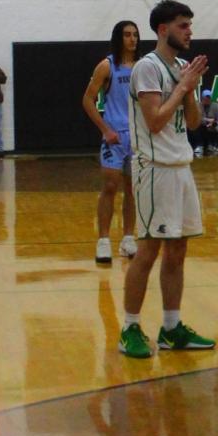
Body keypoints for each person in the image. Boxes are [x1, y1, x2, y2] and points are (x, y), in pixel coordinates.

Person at [118, 0, 215, 358]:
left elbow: (191, 124)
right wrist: (182, 86)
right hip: (154, 169)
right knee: (147, 251)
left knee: (178, 249)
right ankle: (129, 327)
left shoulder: (178, 67)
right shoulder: (147, 68)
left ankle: (171, 328)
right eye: (183, 25)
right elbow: (155, 121)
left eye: (190, 25)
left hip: (180, 167)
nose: (190, 31)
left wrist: (189, 85)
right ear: (163, 30)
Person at [82, 19, 140, 264]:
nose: (132, 39)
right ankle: (103, 240)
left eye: (135, 34)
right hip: (114, 136)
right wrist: (105, 129)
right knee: (109, 188)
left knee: (132, 190)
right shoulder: (107, 66)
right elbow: (87, 100)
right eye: (127, 34)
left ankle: (128, 239)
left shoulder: (143, 67)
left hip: (137, 138)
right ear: (119, 37)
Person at [193, 87, 218, 158]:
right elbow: (196, 118)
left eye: (209, 98)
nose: (207, 99)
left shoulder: (216, 106)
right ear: (202, 98)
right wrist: (207, 121)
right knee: (194, 127)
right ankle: (199, 146)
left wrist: (214, 125)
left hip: (212, 128)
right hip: (201, 128)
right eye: (205, 98)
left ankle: (213, 146)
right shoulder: (197, 106)